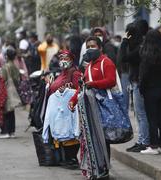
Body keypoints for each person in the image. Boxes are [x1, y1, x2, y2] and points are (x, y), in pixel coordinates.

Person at [69, 36, 117, 178]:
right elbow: (83, 86)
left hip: (103, 107)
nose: (90, 49)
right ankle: (96, 168)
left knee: (103, 139)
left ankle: (104, 169)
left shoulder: (106, 63)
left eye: (93, 46)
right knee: (92, 139)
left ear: (100, 48)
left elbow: (111, 81)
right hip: (89, 108)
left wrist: (93, 84)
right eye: (88, 46)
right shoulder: (88, 65)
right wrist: (73, 100)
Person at [139, 30, 161, 155]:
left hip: (150, 90)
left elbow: (143, 75)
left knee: (152, 118)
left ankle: (153, 145)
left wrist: (142, 88)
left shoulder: (146, 55)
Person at [48, 50, 82, 169]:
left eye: (66, 58)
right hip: (60, 110)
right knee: (63, 134)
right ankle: (67, 159)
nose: (63, 61)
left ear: (71, 60)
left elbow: (79, 89)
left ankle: (72, 159)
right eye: (61, 58)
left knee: (71, 135)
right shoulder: (62, 73)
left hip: (70, 110)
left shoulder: (75, 73)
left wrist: (69, 89)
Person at [120, 21, 150, 152]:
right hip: (136, 81)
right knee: (139, 113)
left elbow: (123, 58)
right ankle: (141, 140)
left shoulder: (139, 48)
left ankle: (144, 141)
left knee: (141, 113)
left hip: (139, 82)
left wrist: (124, 43)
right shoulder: (141, 46)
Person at [0, 46, 20, 139]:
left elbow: (3, 79)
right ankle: (12, 131)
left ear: (6, 56)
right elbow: (17, 79)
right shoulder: (14, 66)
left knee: (6, 111)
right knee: (11, 112)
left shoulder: (6, 67)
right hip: (13, 90)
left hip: (6, 91)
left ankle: (5, 131)